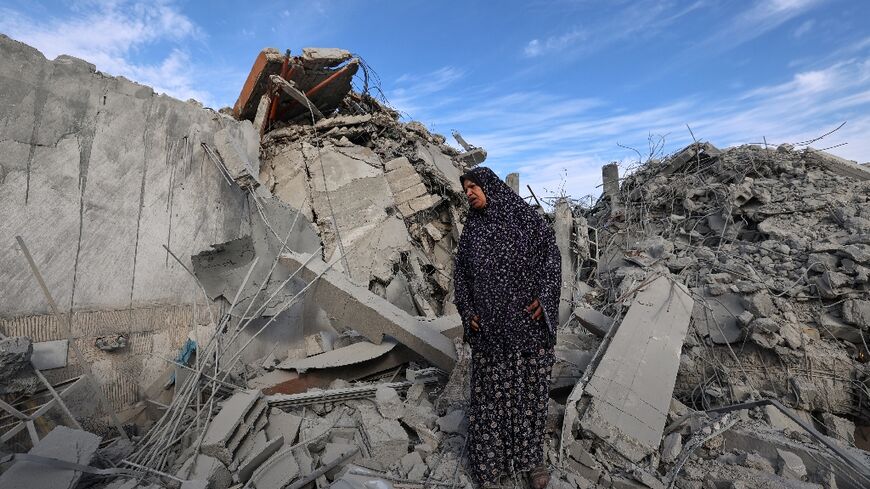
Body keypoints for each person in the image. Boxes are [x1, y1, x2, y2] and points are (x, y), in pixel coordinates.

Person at [453, 167, 561, 488]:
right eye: (466, 188)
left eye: (474, 186)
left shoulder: (525, 219)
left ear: (491, 187)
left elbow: (551, 256)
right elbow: (461, 275)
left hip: (527, 328)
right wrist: (468, 309)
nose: (470, 192)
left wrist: (545, 296)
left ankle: (531, 461)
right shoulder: (472, 230)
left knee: (529, 393)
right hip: (490, 332)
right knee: (489, 398)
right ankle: (490, 466)